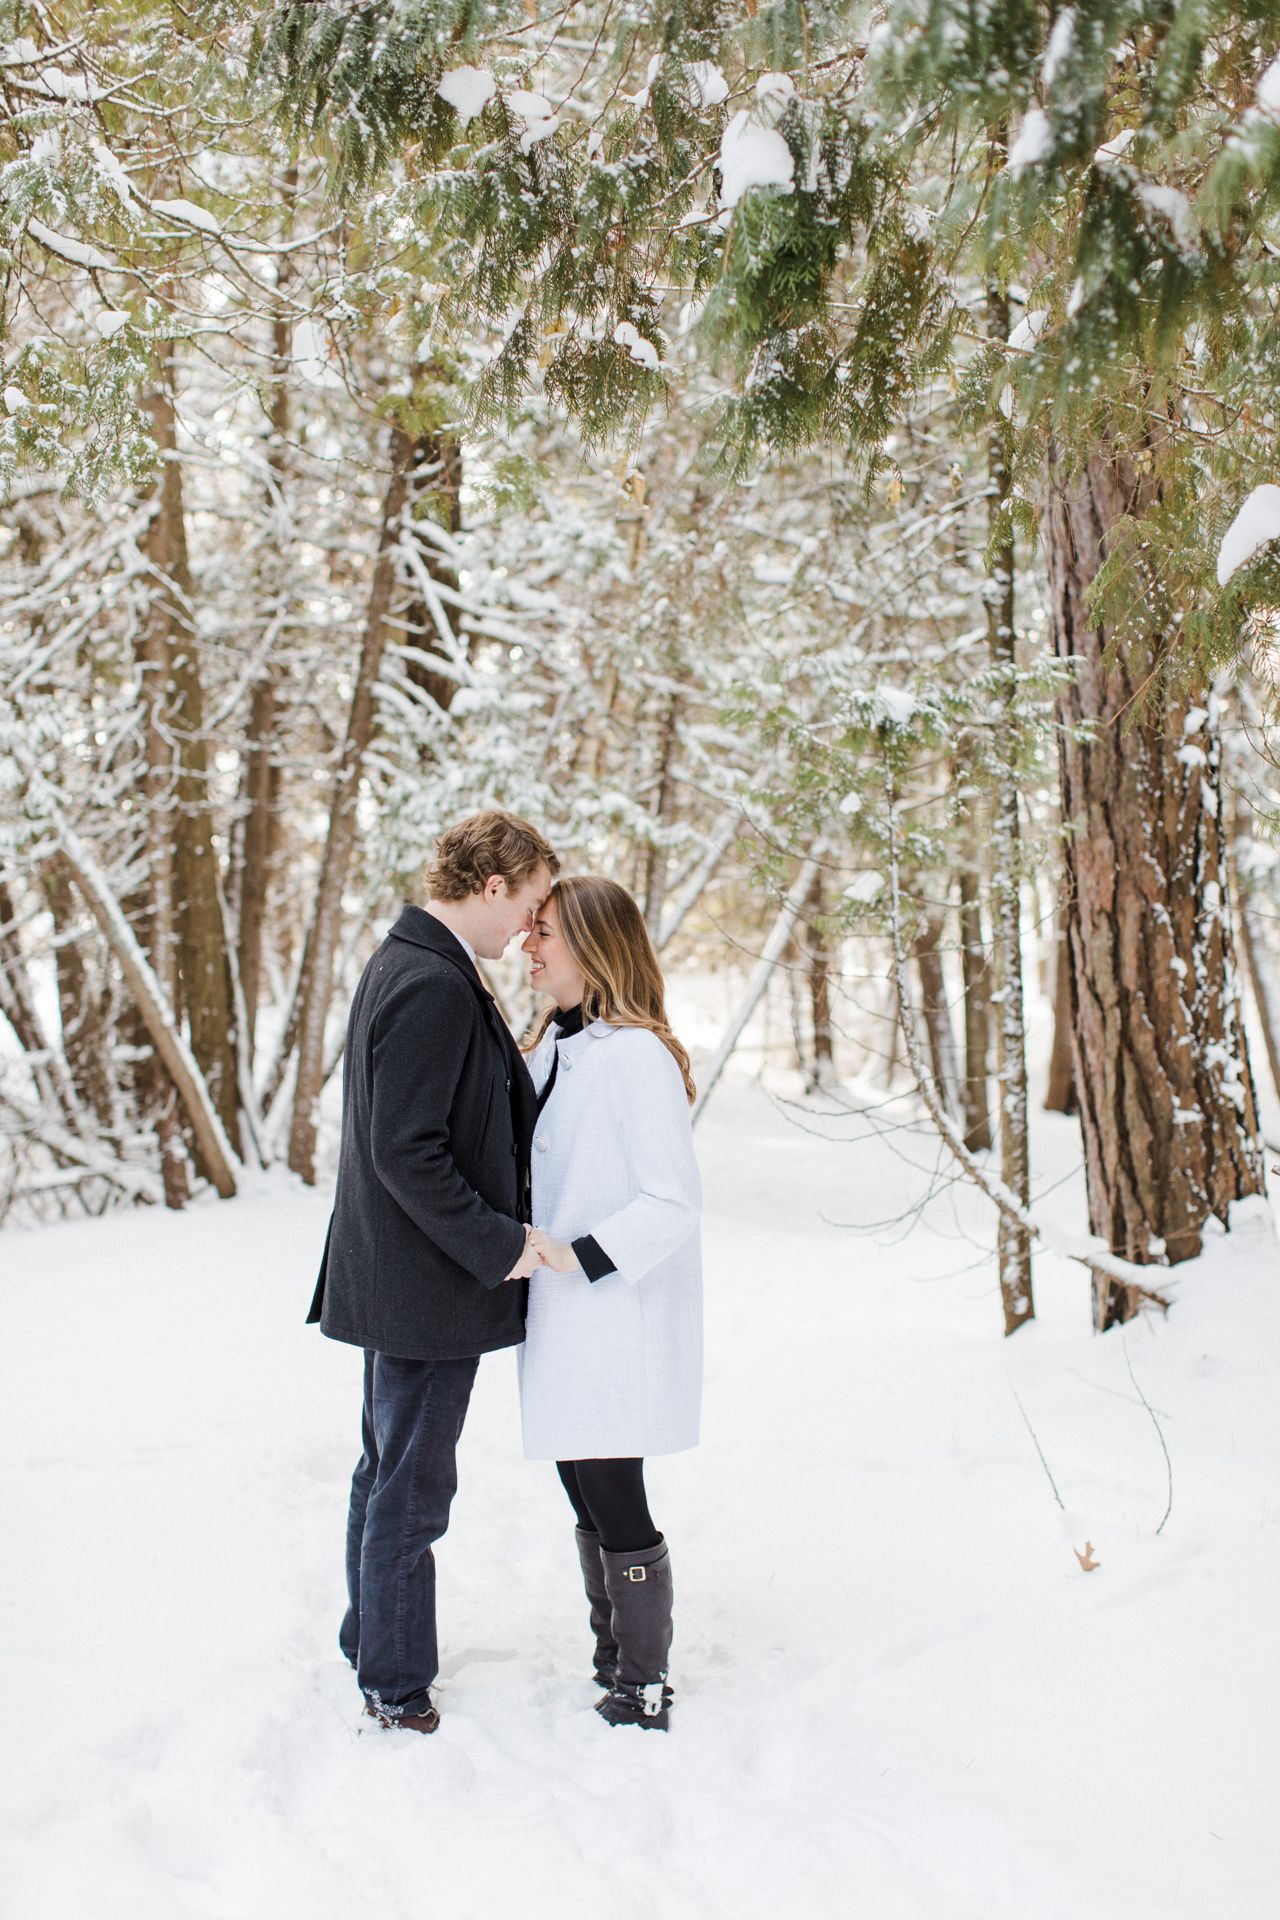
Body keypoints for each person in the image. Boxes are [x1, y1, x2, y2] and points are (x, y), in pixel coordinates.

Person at [308, 809, 558, 1734]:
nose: (528, 930)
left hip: (401, 1277)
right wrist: (501, 1243)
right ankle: (395, 1681)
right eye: (528, 906)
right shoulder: (433, 982)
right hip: (423, 1284)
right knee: (411, 1487)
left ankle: (371, 1637)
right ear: (493, 887)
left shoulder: (413, 961)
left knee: (386, 1472)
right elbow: (405, 1150)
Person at [520, 876, 702, 1732]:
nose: (529, 945)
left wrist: (580, 1254)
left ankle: (644, 1680)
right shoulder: (551, 1048)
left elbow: (672, 1203)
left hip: (610, 1315)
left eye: (545, 932)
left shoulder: (635, 1056)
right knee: (583, 1494)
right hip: (561, 1320)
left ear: (593, 946)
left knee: (613, 1493)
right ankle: (615, 1659)